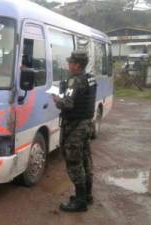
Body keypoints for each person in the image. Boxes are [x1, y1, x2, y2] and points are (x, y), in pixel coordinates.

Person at [52, 51, 97, 212]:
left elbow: (68, 104)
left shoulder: (75, 81)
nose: (68, 65)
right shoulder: (90, 78)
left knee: (73, 162)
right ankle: (87, 196)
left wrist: (57, 99)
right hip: (86, 125)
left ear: (77, 65)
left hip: (75, 127)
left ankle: (79, 201)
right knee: (85, 159)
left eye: (71, 62)